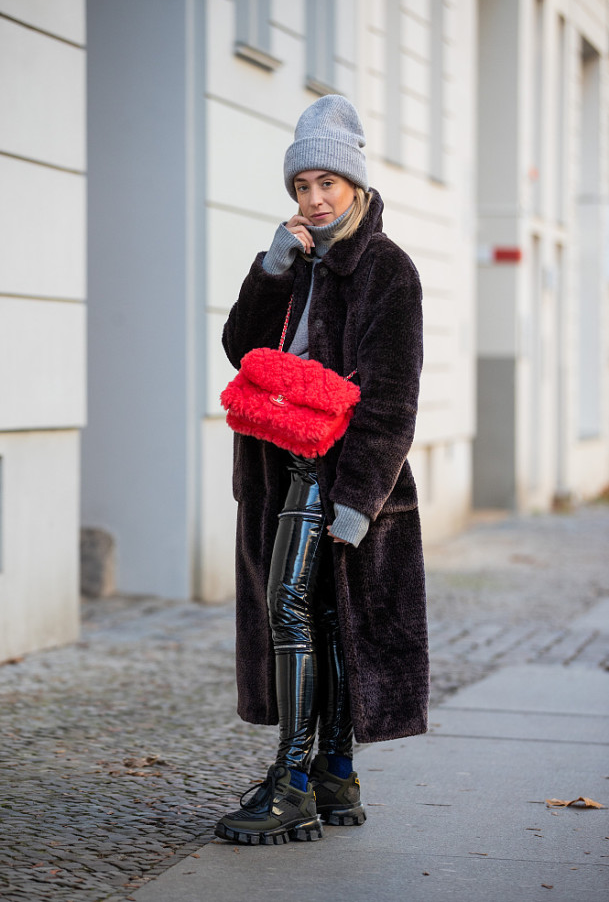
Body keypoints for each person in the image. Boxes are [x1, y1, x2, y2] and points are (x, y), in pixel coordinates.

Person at [215, 95, 428, 846]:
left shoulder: (386, 270)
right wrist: (272, 269)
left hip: (334, 475)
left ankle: (295, 783)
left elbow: (392, 399)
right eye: (301, 185)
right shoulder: (295, 261)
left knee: (291, 613)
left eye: (325, 185)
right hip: (277, 470)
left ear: (356, 186)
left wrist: (358, 499)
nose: (312, 199)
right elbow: (242, 351)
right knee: (319, 619)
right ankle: (336, 775)